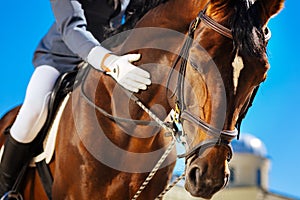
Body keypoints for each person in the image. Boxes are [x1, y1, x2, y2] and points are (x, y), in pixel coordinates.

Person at [0, 0, 151, 197]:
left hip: (107, 63)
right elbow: (71, 28)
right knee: (33, 112)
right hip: (61, 59)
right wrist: (109, 61)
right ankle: (5, 189)